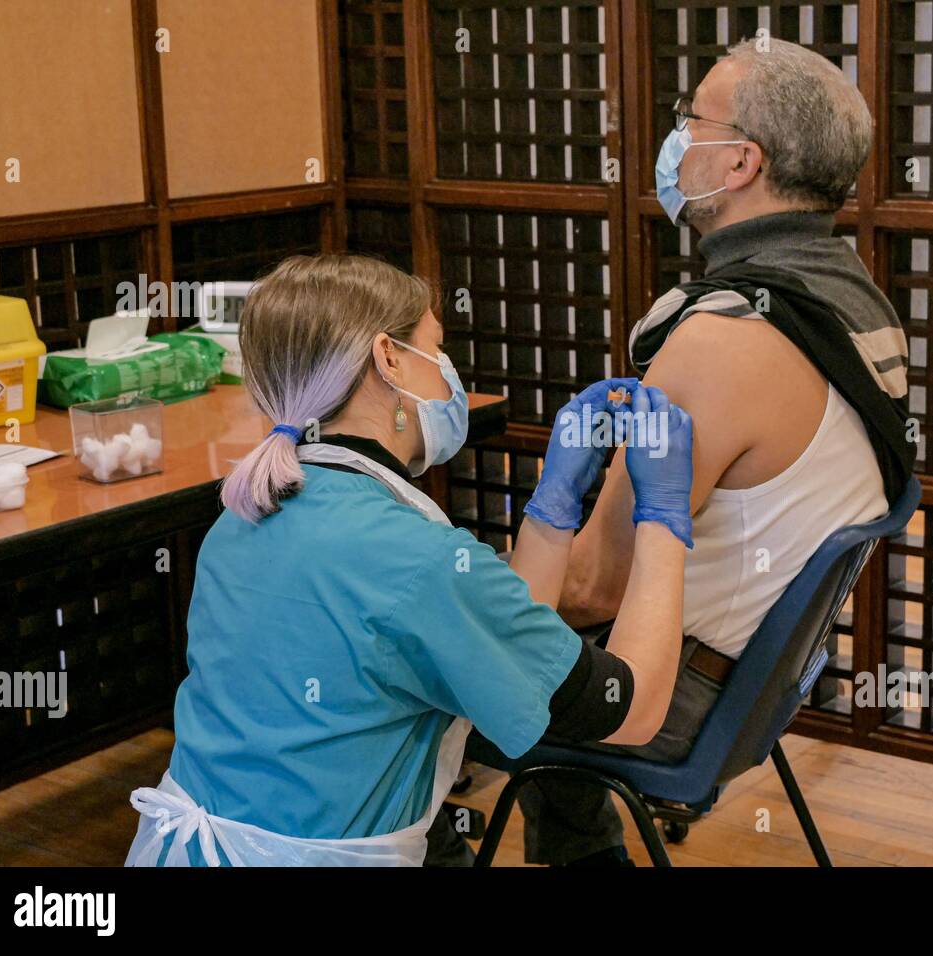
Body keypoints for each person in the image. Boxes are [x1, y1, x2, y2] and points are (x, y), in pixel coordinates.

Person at [123, 254, 694, 866]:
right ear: (388, 357)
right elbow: (630, 712)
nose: (448, 375)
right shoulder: (414, 557)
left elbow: (496, 637)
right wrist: (662, 517)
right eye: (437, 348)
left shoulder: (242, 516)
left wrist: (553, 507)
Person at [515, 37, 914, 866]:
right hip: (765, 686)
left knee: (386, 656)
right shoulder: (852, 295)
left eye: (689, 120)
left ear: (739, 161)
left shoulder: (727, 334)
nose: (674, 141)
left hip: (680, 698)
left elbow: (593, 585)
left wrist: (454, 612)